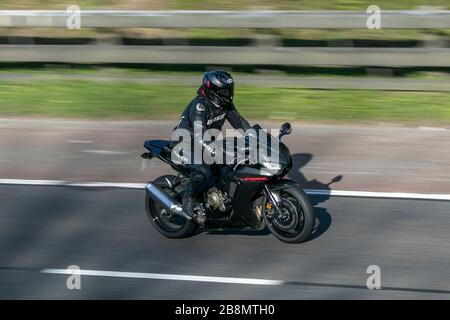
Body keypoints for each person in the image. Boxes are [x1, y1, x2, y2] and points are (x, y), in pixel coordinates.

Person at [171, 70, 251, 224]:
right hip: (184, 145)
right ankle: (189, 198)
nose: (228, 94)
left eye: (229, 90)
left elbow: (239, 122)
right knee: (202, 171)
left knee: (233, 163)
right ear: (212, 90)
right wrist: (216, 151)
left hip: (205, 143)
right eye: (224, 91)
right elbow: (200, 135)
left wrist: (257, 137)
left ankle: (219, 200)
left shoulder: (224, 104)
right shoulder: (199, 106)